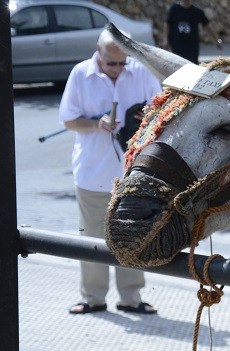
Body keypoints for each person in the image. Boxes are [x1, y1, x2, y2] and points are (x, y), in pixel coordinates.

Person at [59, 30, 162, 315]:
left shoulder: (140, 71)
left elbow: (161, 109)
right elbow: (68, 119)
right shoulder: (80, 74)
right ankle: (93, 297)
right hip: (93, 170)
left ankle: (131, 297)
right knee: (92, 236)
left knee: (133, 235)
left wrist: (147, 117)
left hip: (134, 172)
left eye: (122, 63)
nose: (117, 69)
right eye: (111, 64)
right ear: (98, 52)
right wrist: (96, 124)